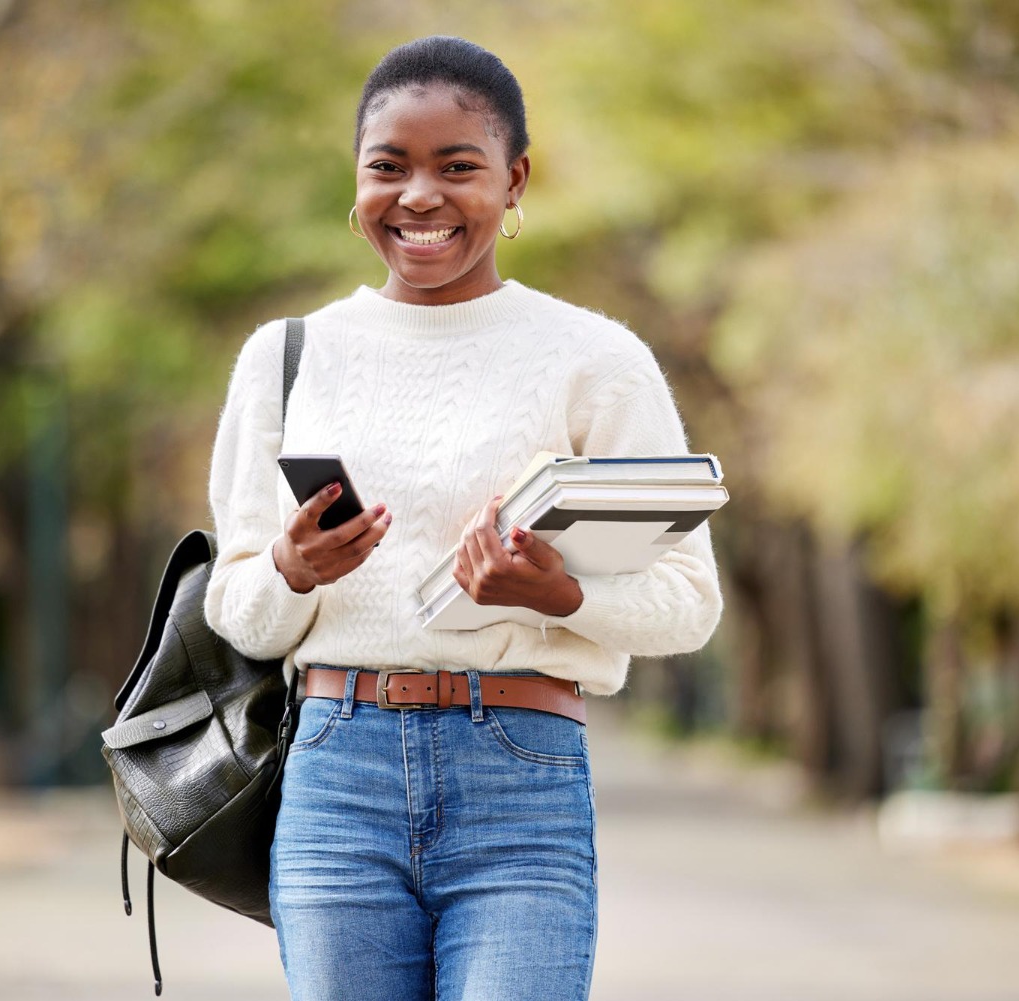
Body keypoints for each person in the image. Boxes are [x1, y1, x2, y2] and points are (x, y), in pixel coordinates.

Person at [203, 35, 723, 1001]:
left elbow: (689, 603)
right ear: (355, 181)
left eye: (458, 167)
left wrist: (559, 594)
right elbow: (236, 608)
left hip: (521, 777)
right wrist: (291, 568)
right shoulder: (287, 357)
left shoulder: (596, 361)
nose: (419, 197)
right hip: (334, 775)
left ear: (515, 180)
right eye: (387, 167)